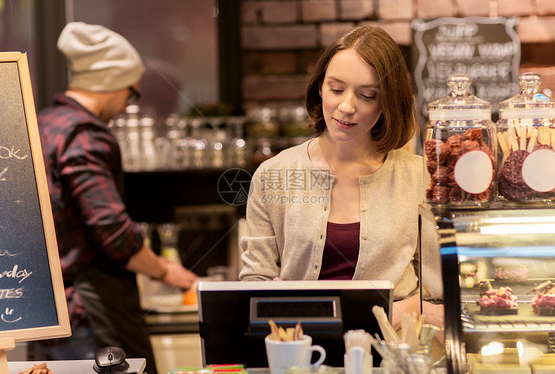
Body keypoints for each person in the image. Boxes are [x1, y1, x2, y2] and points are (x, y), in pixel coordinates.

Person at [239, 25, 443, 336]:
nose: (347, 107)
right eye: (336, 89)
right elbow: (254, 280)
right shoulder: (273, 175)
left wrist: (405, 309)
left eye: (367, 95)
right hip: (299, 354)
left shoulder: (420, 176)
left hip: (392, 352)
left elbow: (439, 293)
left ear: (387, 103)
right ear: (319, 87)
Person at [37, 22, 198, 374]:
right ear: (112, 82)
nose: (127, 106)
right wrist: (165, 270)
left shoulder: (43, 123)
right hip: (91, 316)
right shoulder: (85, 134)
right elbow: (112, 232)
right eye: (131, 93)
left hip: (51, 309)